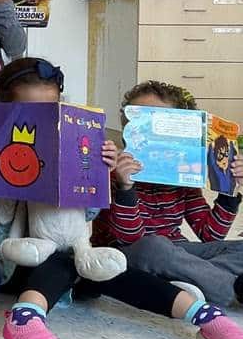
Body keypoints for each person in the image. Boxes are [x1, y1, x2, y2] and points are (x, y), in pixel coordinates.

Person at [0, 58, 243, 339]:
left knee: (109, 268)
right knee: (65, 258)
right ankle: (23, 320)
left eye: (51, 108)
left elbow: (89, 214)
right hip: (16, 262)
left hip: (80, 262)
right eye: (32, 112)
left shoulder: (71, 144)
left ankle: (206, 317)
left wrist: (96, 175)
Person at [94, 81, 243, 307]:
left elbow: (210, 235)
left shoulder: (183, 178)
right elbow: (129, 239)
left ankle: (187, 280)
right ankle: (228, 289)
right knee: (153, 247)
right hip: (125, 254)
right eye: (141, 122)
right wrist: (126, 187)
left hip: (177, 251)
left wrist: (230, 190)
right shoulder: (113, 169)